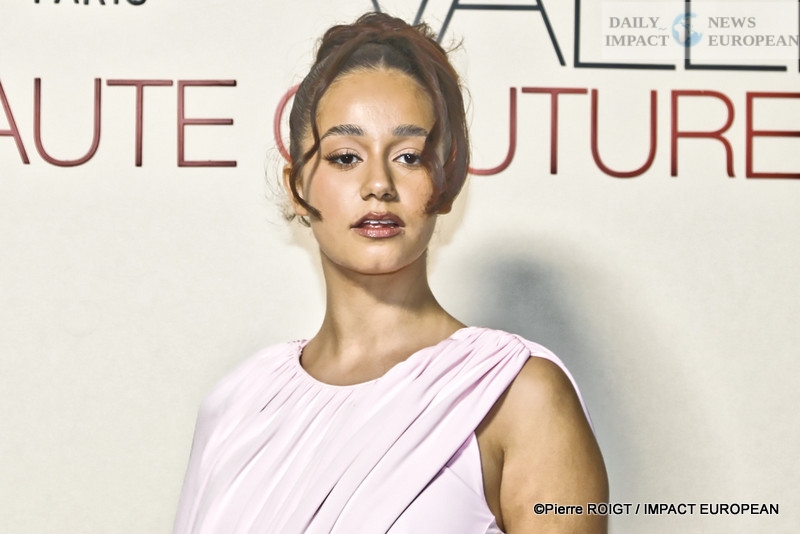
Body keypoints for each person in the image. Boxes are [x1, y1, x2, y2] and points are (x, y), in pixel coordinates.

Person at [173, 12, 607, 534]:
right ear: (297, 187)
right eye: (345, 157)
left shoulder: (516, 395)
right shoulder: (237, 405)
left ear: (445, 182)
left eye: (408, 156)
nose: (378, 184)